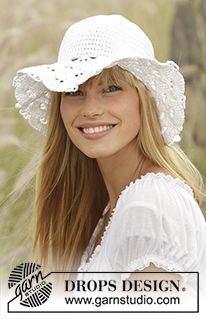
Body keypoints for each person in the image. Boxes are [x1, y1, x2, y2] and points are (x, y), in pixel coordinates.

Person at [13, 14, 206, 295]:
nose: (90, 109)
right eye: (74, 91)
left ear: (146, 100)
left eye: (112, 88)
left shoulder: (149, 207)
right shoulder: (113, 207)